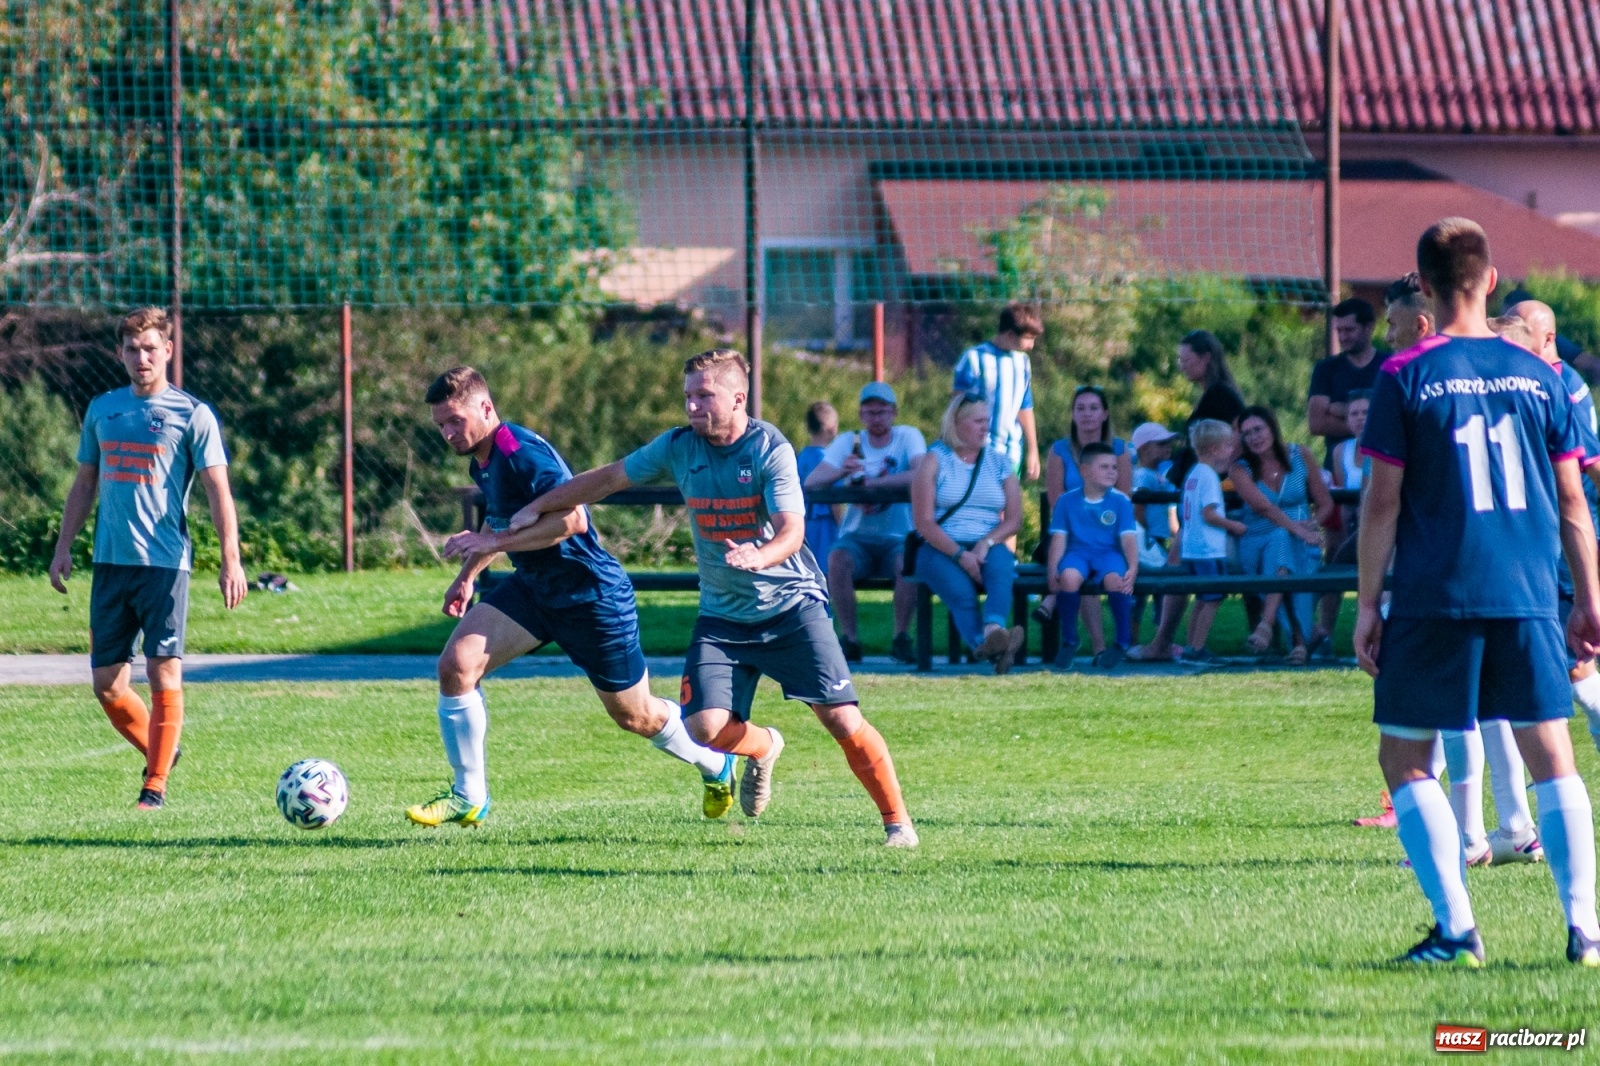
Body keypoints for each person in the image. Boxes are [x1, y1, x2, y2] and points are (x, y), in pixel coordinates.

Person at [508, 349, 917, 848]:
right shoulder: (679, 447)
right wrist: (539, 505)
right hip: (723, 616)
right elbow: (608, 478)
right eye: (687, 396)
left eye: (704, 395)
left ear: (737, 398)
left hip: (790, 607)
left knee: (842, 720)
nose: (692, 406)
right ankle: (765, 746)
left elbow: (793, 531)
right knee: (703, 728)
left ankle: (898, 823)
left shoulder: (771, 449)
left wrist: (760, 556)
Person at [1355, 216, 1600, 965]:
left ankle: (1458, 931)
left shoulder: (1405, 374)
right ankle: (1586, 928)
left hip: (1436, 593)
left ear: (1423, 287)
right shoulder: (1543, 375)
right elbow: (1571, 502)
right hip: (1528, 590)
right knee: (1553, 756)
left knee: (1405, 762)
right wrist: (1589, 599)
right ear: (1491, 280)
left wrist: (1368, 603)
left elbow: (1383, 502)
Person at [406, 367, 734, 827]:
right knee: (456, 666)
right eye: (441, 424)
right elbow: (499, 520)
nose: (448, 432)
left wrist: (491, 546)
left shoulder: (519, 453)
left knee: (635, 716)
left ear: (485, 407)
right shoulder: (482, 459)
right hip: (535, 590)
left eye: (455, 420)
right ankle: (468, 795)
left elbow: (572, 521)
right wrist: (467, 575)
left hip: (591, 598)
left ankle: (715, 764)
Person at [47, 306, 248, 810]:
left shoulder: (192, 414)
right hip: (110, 564)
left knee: (164, 673)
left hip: (164, 565)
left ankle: (154, 786)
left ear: (168, 352)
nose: (142, 357)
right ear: (120, 353)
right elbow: (85, 482)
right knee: (107, 686)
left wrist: (232, 560)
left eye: (151, 348)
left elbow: (218, 491)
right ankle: (164, 749)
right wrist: (63, 546)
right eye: (133, 349)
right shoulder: (103, 409)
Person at [803, 383, 925, 665]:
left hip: (898, 535)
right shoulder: (849, 442)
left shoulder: (907, 437)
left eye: (882, 412)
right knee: (837, 558)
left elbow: (920, 473)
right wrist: (842, 471)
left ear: (894, 413)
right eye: (870, 413)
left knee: (909, 561)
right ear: (861, 415)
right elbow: (812, 481)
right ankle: (850, 639)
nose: (876, 419)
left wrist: (872, 484)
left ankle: (901, 637)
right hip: (857, 536)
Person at [909, 394, 1026, 674]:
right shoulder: (934, 459)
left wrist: (985, 544)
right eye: (978, 421)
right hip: (939, 545)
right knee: (961, 594)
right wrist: (961, 555)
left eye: (987, 421)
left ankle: (992, 632)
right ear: (957, 424)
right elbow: (923, 522)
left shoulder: (999, 462)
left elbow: (1014, 519)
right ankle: (992, 644)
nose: (985, 427)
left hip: (987, 540)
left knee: (1001, 566)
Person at [1230, 406, 1334, 664]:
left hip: (1300, 542)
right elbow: (1263, 507)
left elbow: (1325, 504)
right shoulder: (1239, 469)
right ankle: (1296, 638)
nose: (1254, 437)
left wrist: (1310, 525)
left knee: (1285, 553)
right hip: (1258, 541)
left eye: (1258, 429)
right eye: (1247, 433)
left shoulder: (1301, 455)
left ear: (1272, 428)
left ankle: (1279, 629)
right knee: (1280, 539)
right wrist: (1296, 528)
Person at [1034, 385, 1133, 651]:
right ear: (1073, 414)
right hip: (1069, 531)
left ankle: (1051, 602)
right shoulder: (1059, 451)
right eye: (1080, 408)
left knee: (1093, 563)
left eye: (1093, 408)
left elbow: (1122, 499)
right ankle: (1098, 647)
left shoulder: (1120, 450)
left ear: (1105, 414)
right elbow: (1057, 503)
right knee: (1075, 561)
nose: (1087, 414)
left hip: (1110, 535)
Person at [1046, 442, 1139, 670]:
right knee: (1068, 578)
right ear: (1084, 471)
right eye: (1104, 467)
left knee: (1115, 580)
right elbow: (1059, 539)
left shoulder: (1120, 501)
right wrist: (1052, 569)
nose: (1112, 472)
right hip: (1078, 552)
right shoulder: (1067, 501)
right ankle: (1070, 640)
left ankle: (1122, 641)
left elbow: (1128, 538)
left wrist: (1133, 567)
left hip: (1108, 553)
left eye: (1114, 467)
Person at [1175, 420, 1247, 661]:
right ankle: (1197, 647)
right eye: (1228, 445)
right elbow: (1209, 513)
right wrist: (1233, 526)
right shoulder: (1209, 477)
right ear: (1215, 449)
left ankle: (1191, 645)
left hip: (1192, 547)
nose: (1231, 450)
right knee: (1214, 598)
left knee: (1202, 598)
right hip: (1208, 549)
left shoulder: (1193, 474)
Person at [952, 302, 1042, 480]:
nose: (1032, 345)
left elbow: (1024, 406)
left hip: (1011, 453)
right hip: (979, 452)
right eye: (1028, 338)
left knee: (1007, 505)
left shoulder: (1022, 362)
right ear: (1009, 334)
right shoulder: (974, 358)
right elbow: (957, 408)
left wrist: (1033, 450)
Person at [1168, 330, 1245, 489]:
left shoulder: (1220, 393)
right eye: (1180, 360)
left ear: (1206, 358)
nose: (1182, 366)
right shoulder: (1210, 394)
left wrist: (1224, 468)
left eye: (1186, 360)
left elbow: (1241, 430)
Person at [795, 401, 841, 564]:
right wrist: (841, 526)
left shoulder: (801, 457)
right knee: (827, 568)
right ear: (832, 429)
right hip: (824, 522)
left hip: (803, 521)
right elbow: (834, 499)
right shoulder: (830, 461)